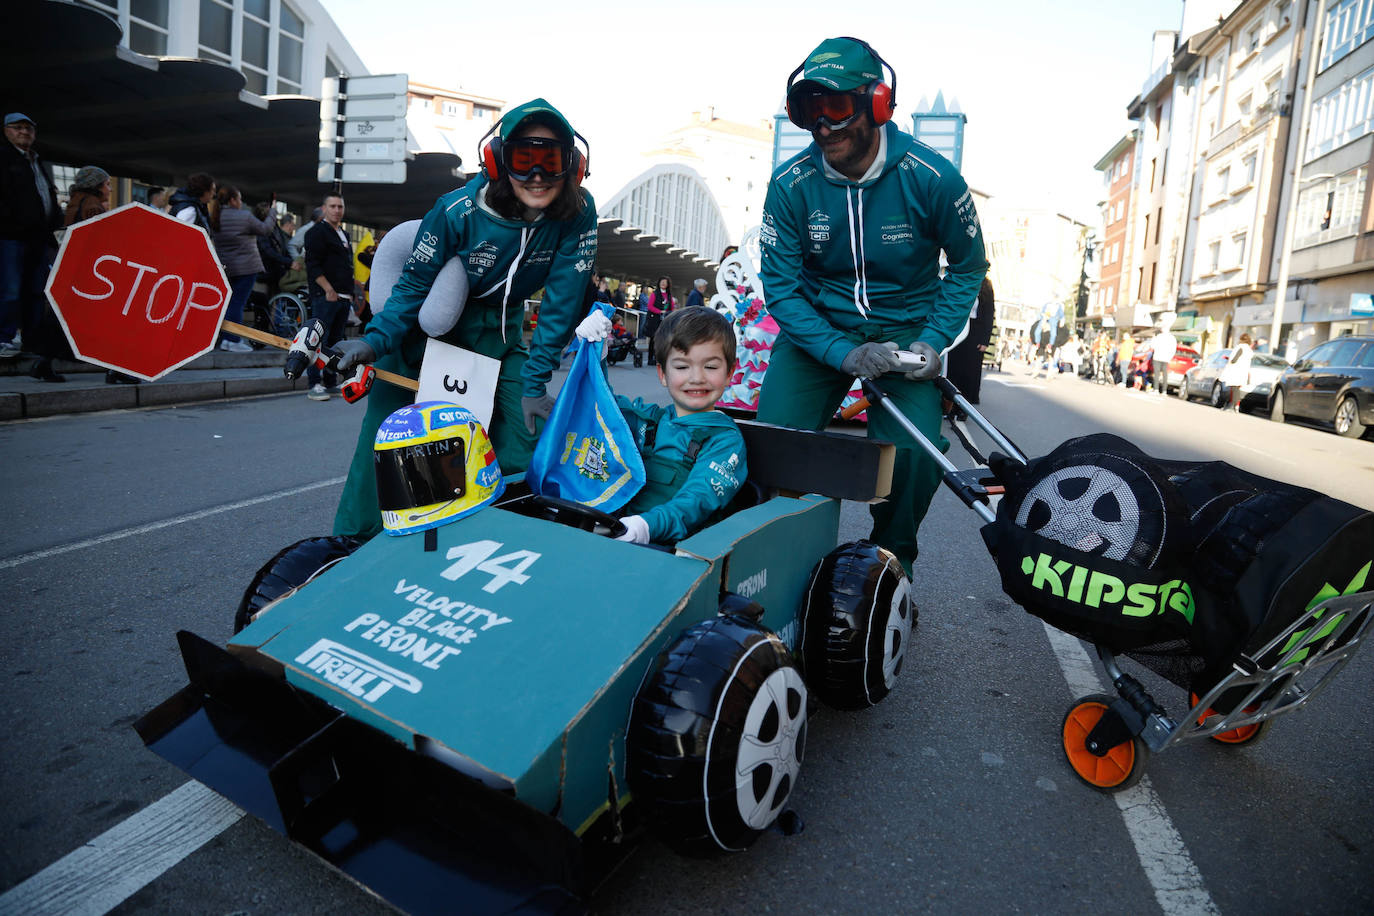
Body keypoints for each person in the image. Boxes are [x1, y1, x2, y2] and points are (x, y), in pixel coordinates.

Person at [755, 37, 988, 579]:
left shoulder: (934, 179)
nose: (823, 125)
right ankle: (780, 560)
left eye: (836, 106)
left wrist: (934, 339)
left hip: (908, 331)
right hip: (819, 331)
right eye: (810, 109)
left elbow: (969, 267)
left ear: (878, 103)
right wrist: (842, 352)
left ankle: (890, 562)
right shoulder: (790, 185)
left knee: (913, 455)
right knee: (774, 445)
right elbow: (782, 289)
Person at [330, 98, 598, 540]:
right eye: (522, 159)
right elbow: (413, 288)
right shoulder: (455, 209)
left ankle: (488, 541)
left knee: (524, 437)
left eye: (549, 161)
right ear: (496, 160)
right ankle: (352, 545)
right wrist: (373, 342)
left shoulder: (579, 213)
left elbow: (561, 304)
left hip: (501, 331)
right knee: (387, 438)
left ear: (573, 166)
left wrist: (534, 384)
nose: (535, 176)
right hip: (428, 331)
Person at [577, 305, 746, 544]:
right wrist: (597, 353)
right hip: (617, 536)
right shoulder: (647, 419)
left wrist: (645, 526)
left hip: (678, 556)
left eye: (710, 366)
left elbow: (697, 500)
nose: (696, 377)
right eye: (682, 366)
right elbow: (600, 407)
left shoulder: (724, 440)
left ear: (730, 373)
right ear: (663, 374)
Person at [0, 113, 62, 366]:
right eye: (18, 128)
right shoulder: (4, 158)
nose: (24, 132)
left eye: (29, 128)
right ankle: (4, 338)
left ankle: (32, 340)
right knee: (11, 289)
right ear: (6, 131)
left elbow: (45, 195)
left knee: (35, 291)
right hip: (11, 235)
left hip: (38, 237)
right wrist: (13, 221)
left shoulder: (36, 160)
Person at [209, 184, 275, 352]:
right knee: (237, 303)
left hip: (225, 267)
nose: (241, 202)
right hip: (246, 267)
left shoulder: (215, 217)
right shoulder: (244, 216)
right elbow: (265, 229)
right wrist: (273, 211)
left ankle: (224, 338)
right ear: (232, 200)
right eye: (239, 198)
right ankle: (232, 340)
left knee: (228, 303)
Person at [303, 192, 354, 400]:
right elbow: (312, 265)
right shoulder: (316, 233)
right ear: (324, 209)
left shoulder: (343, 233)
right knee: (317, 340)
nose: (337, 210)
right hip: (326, 295)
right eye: (332, 206)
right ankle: (314, 383)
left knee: (335, 341)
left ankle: (331, 381)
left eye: (340, 206)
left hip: (343, 296)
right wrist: (328, 289)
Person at [945, 276, 995, 409]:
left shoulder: (986, 286)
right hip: (958, 329)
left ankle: (964, 408)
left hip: (975, 333)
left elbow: (989, 314)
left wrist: (985, 340)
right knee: (953, 369)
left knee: (969, 372)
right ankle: (948, 404)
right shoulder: (960, 279)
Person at [644, 277, 675, 366]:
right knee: (653, 339)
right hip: (655, 320)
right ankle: (651, 359)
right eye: (662, 282)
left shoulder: (669, 295)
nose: (663, 283)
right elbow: (650, 306)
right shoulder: (655, 294)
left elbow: (672, 307)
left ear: (668, 284)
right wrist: (660, 311)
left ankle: (660, 358)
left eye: (665, 282)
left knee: (663, 339)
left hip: (665, 320)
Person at [1219, 332, 1253, 412]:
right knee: (1236, 388)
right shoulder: (1249, 350)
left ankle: (1232, 406)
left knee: (1234, 389)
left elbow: (1234, 359)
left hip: (1236, 370)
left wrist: (1229, 359)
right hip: (1243, 371)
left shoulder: (1240, 347)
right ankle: (1235, 406)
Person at [1150, 322, 1177, 395]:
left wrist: (1153, 338)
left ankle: (1156, 389)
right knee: (1165, 375)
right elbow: (1173, 349)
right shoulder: (1172, 338)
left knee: (1157, 374)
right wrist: (1170, 357)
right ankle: (1164, 391)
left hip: (1158, 357)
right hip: (1166, 358)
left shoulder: (1159, 337)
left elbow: (1152, 346)